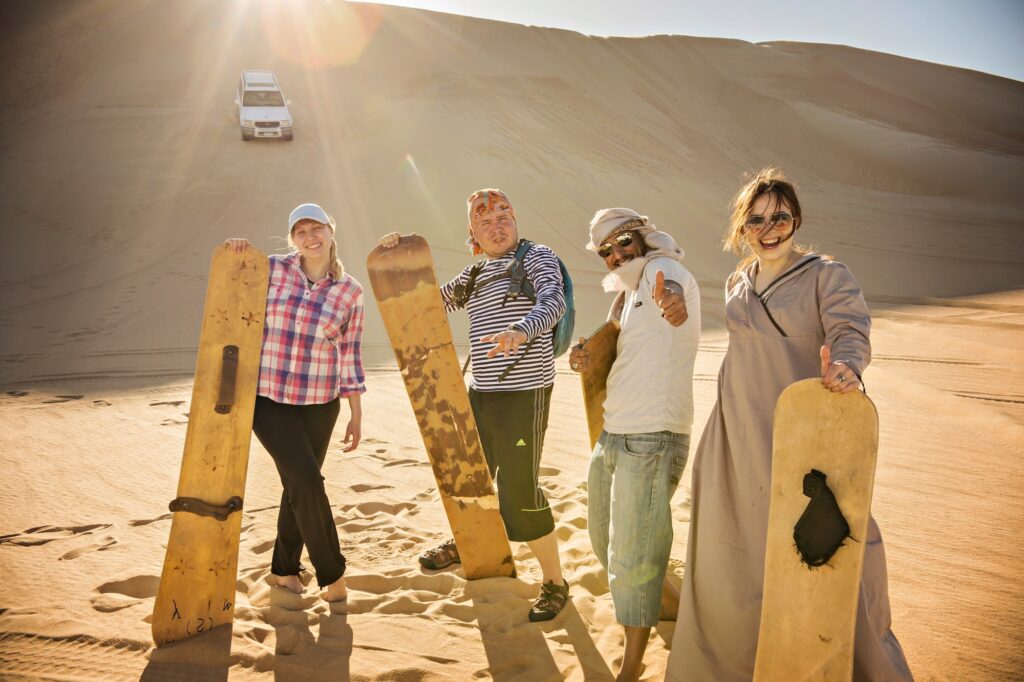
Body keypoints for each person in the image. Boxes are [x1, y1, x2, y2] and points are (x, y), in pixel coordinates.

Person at [666, 168, 912, 680]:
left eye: (780, 216)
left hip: (803, 437)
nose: (769, 228)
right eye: (755, 220)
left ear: (796, 218)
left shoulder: (826, 274)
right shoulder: (737, 281)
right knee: (738, 553)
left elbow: (850, 328)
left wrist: (847, 364)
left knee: (835, 552)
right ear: (741, 228)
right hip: (737, 434)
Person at [379, 188, 569, 622]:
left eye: (503, 218)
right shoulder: (476, 272)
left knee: (520, 489)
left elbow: (553, 301)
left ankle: (556, 581)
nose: (496, 227)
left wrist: (520, 332)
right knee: (472, 474)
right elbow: (426, 301)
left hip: (526, 394)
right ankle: (466, 544)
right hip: (482, 393)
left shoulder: (536, 256)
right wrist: (397, 257)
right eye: (485, 223)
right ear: (474, 233)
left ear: (515, 220)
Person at [567, 208, 700, 681]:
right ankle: (662, 601)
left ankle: (632, 664)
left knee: (633, 554)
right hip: (613, 431)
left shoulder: (666, 272)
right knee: (603, 537)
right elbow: (615, 347)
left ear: (642, 237)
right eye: (606, 250)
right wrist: (584, 355)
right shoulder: (624, 296)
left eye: (624, 241)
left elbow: (675, 297)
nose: (617, 253)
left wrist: (675, 304)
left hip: (653, 435)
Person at [225, 202, 365, 603]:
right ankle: (332, 574)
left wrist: (356, 412)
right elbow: (230, 288)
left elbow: (351, 354)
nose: (310, 238)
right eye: (300, 232)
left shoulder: (350, 291)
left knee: (296, 487)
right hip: (268, 400)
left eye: (316, 228)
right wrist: (237, 253)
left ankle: (285, 572)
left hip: (322, 401)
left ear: (331, 230)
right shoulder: (272, 270)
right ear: (292, 239)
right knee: (307, 481)